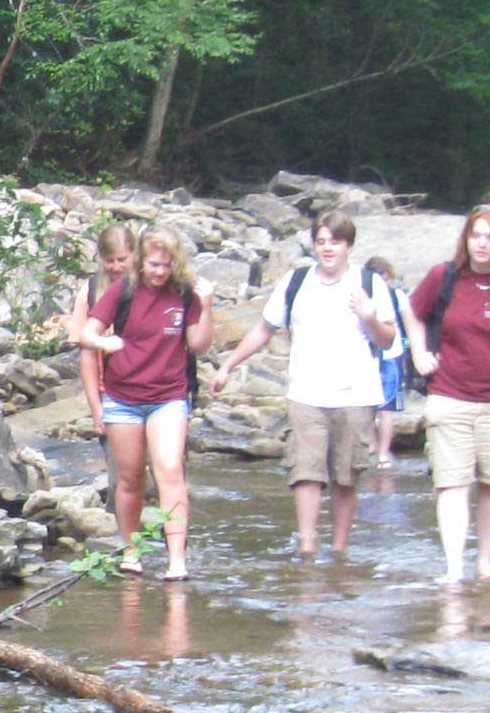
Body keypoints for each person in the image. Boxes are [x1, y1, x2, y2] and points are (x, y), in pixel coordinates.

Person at [210, 212, 397, 560]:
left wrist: (369, 315)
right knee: (306, 473)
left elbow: (387, 341)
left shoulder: (369, 283)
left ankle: (339, 550)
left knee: (346, 476)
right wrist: (227, 365)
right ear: (314, 245)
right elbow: (264, 329)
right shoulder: (296, 281)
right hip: (306, 394)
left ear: (349, 246)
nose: (327, 248)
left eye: (335, 242)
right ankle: (308, 545)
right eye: (321, 241)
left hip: (355, 394)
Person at [83, 223, 213, 580]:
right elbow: (86, 333)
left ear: (176, 264)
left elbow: (199, 345)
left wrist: (207, 305)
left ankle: (176, 560)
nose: (158, 272)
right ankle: (131, 551)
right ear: (141, 261)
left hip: (169, 396)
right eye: (153, 264)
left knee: (170, 470)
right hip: (123, 397)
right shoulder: (123, 290)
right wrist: (103, 343)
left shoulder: (185, 294)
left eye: (165, 265)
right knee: (129, 479)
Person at [407, 205, 490, 585]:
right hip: (449, 394)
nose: (483, 244)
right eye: (477, 236)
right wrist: (419, 352)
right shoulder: (445, 277)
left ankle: (486, 564)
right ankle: (454, 568)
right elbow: (412, 311)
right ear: (466, 239)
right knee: (453, 484)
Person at [63, 223, 138, 436]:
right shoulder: (91, 291)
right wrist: (96, 409)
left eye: (122, 260)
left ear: (134, 255)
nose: (115, 267)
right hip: (111, 392)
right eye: (109, 261)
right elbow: (86, 354)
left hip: (149, 388)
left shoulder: (149, 286)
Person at [367, 256, 413, 463]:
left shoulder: (397, 296)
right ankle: (371, 447)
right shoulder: (362, 296)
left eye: (385, 279)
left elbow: (409, 324)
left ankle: (383, 452)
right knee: (366, 406)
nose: (383, 284)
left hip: (392, 355)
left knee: (387, 409)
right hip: (368, 354)